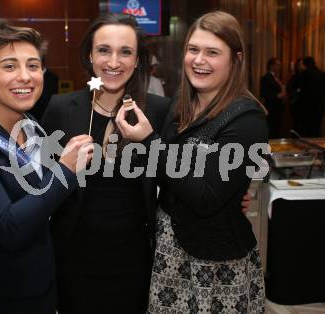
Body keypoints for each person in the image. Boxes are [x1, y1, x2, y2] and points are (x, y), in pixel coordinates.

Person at [115, 11, 268, 313]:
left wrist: (149, 141)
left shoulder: (247, 118)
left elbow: (205, 198)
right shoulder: (181, 105)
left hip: (216, 261)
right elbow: (167, 177)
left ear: (235, 59)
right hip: (170, 250)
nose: (199, 60)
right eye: (193, 50)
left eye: (213, 52)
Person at [0, 23, 93, 314]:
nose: (25, 76)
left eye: (33, 66)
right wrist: (66, 171)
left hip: (41, 288)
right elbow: (9, 227)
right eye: (9, 66)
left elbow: (43, 202)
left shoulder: (32, 125)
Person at [41, 13, 171, 314]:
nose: (114, 62)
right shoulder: (62, 108)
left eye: (125, 52)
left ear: (138, 60)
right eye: (104, 50)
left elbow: (173, 175)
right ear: (90, 55)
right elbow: (40, 182)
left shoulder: (158, 111)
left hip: (136, 258)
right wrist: (61, 166)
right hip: (75, 256)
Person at [296, 56, 325, 137]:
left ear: (305, 64)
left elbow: (300, 89)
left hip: (307, 108)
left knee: (307, 132)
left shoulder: (305, 73)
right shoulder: (322, 74)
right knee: (316, 131)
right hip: (319, 107)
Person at [28, 56, 59, 122]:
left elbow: (49, 96)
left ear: (41, 63)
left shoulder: (52, 77)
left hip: (46, 114)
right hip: (31, 114)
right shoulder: (30, 76)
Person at [260, 57, 285, 138]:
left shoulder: (277, 77)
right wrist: (277, 95)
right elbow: (264, 93)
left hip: (278, 108)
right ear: (271, 66)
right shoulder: (266, 78)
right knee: (271, 130)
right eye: (277, 65)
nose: (279, 67)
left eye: (280, 65)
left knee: (277, 129)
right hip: (271, 108)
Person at [286, 58, 303, 132]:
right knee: (297, 125)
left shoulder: (308, 76)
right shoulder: (295, 76)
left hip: (306, 106)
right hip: (296, 105)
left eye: (302, 64)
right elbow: (289, 89)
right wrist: (297, 91)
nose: (301, 66)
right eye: (299, 65)